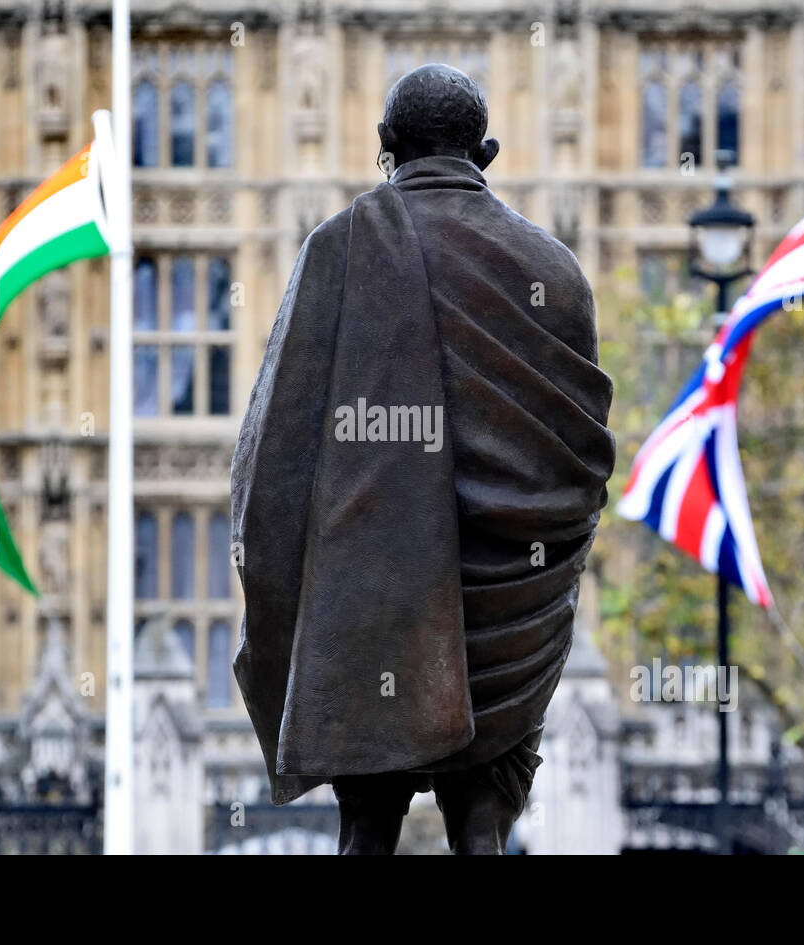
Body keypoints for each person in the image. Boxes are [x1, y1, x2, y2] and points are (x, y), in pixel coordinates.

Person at [231, 63, 615, 854]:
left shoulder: (336, 251)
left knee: (366, 832)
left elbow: (271, 463)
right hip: (512, 614)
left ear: (385, 147)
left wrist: (284, 600)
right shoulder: (554, 271)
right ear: (489, 150)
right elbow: (579, 472)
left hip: (370, 607)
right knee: (483, 832)